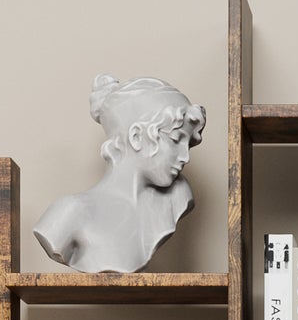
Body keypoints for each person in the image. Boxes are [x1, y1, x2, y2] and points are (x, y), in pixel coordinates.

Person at [32, 75, 206, 273]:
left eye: (188, 145)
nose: (185, 157)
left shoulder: (178, 198)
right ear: (137, 137)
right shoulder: (68, 214)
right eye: (176, 140)